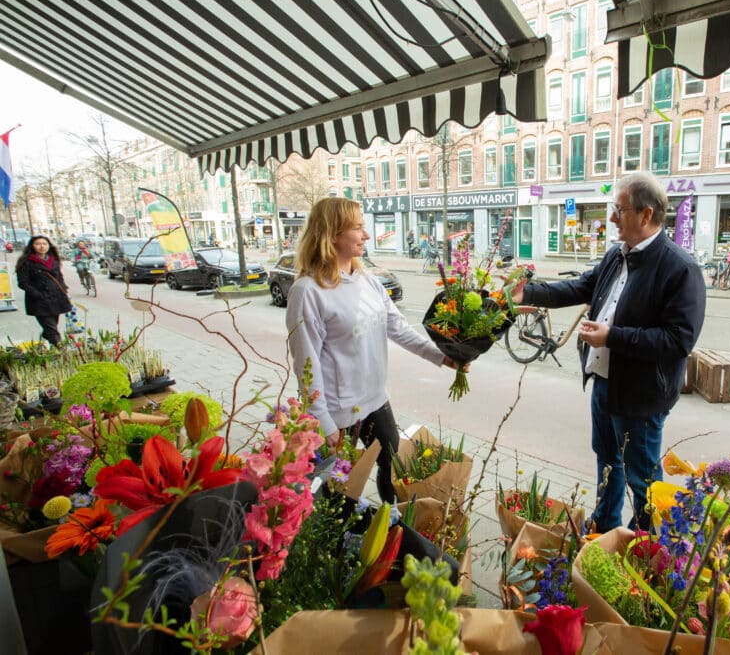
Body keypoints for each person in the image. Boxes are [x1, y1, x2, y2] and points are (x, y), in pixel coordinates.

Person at [512, 173, 706, 532]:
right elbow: (581, 286)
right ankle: (604, 528)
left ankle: (650, 549)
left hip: (641, 395)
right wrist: (530, 293)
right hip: (603, 383)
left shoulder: (681, 269)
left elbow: (678, 340)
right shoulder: (617, 255)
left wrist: (612, 337)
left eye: (619, 210)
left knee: (643, 479)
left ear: (646, 215)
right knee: (607, 462)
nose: (612, 218)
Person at [286, 197, 465, 503]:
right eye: (357, 228)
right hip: (339, 412)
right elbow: (306, 363)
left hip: (374, 399)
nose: (366, 235)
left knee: (393, 468)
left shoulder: (367, 281)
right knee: (338, 489)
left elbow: (398, 328)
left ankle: (391, 526)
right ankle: (344, 543)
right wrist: (323, 421)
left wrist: (442, 356)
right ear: (331, 234)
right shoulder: (308, 291)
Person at [15, 235, 73, 346]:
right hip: (39, 301)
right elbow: (23, 282)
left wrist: (64, 288)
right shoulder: (27, 262)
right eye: (38, 244)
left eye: (44, 244)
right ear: (32, 246)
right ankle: (60, 349)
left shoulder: (53, 260)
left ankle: (43, 347)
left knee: (51, 327)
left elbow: (59, 277)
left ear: (49, 246)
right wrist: (37, 294)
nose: (42, 246)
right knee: (51, 328)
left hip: (56, 298)